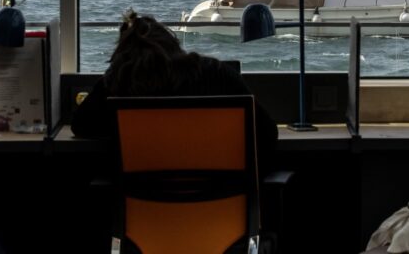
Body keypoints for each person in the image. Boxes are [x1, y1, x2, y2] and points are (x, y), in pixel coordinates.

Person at [71, 11, 278, 172]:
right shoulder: (217, 74)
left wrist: (116, 70)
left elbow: (80, 125)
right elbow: (268, 132)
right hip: (220, 217)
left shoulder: (118, 86)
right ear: (173, 44)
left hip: (146, 217)